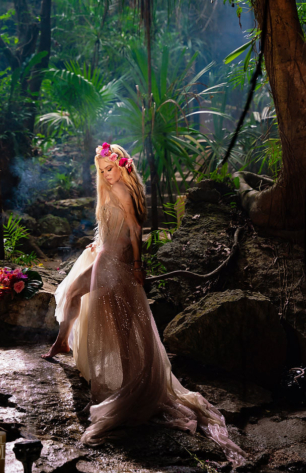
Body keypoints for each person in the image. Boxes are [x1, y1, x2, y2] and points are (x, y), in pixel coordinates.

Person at [41, 142, 246, 468]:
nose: (107, 175)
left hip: (113, 266)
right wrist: (101, 242)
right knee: (75, 295)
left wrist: (137, 265)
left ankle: (131, 385)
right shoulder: (112, 190)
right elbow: (115, 227)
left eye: (111, 168)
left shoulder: (123, 190)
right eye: (103, 170)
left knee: (121, 323)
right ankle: (63, 340)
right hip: (103, 258)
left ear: (122, 166)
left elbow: (136, 231)